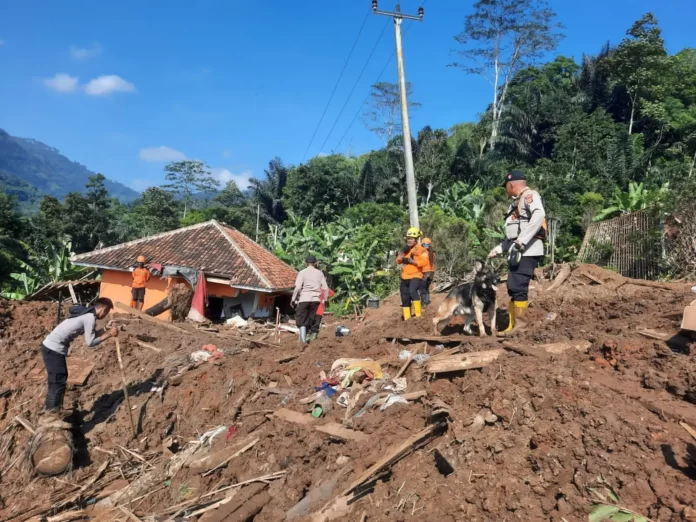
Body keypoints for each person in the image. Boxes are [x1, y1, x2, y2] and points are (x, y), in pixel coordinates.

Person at [488, 170, 546, 333]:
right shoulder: (516, 203)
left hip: (527, 250)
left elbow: (539, 214)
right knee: (513, 287)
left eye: (506, 186)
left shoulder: (530, 196)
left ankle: (520, 326)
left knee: (519, 286)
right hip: (518, 250)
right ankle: (511, 326)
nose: (506, 190)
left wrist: (522, 240)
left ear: (511, 184)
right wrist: (499, 248)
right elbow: (513, 234)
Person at [40, 298, 118, 421]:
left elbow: (90, 334)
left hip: (51, 347)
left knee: (58, 380)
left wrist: (105, 330)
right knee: (58, 382)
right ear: (103, 309)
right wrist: (109, 335)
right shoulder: (90, 318)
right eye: (107, 312)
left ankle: (55, 410)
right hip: (54, 349)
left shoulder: (87, 314)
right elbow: (90, 342)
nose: (106, 315)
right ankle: (51, 415)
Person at [291, 256, 329, 344]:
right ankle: (312, 338)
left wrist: (293, 299)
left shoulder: (302, 273)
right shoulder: (319, 273)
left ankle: (303, 342)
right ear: (315, 263)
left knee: (302, 320)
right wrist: (326, 299)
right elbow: (326, 288)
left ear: (306, 263)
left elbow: (297, 288)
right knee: (312, 319)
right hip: (316, 300)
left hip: (304, 299)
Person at [396, 227, 429, 321]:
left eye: (411, 238)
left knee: (412, 292)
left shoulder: (421, 249)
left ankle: (418, 316)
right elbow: (398, 261)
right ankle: (407, 319)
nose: (409, 240)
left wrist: (411, 261)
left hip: (416, 275)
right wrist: (402, 254)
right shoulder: (406, 249)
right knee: (405, 298)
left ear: (416, 239)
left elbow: (423, 263)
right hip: (405, 276)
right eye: (408, 238)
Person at [420, 237, 435, 306]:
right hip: (431, 272)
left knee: (422, 288)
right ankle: (427, 301)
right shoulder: (432, 252)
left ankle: (424, 303)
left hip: (425, 272)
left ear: (422, 244)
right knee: (426, 287)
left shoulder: (423, 253)